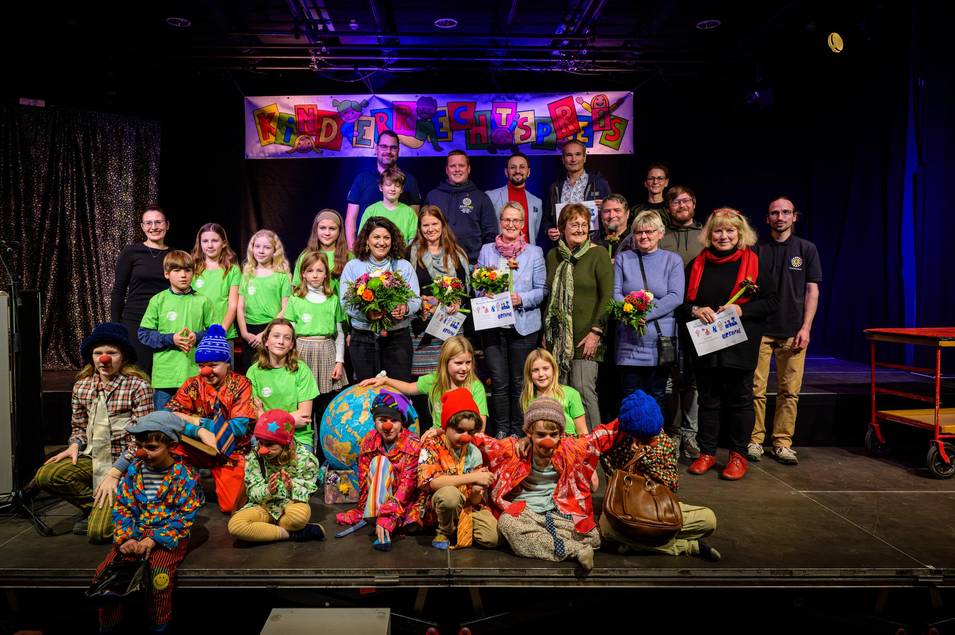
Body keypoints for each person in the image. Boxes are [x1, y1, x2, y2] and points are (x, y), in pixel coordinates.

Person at [470, 396, 626, 572]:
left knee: (593, 536)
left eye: (553, 435)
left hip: (559, 512)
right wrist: (441, 431)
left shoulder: (570, 449)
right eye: (541, 435)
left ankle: (544, 542)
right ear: (529, 433)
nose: (547, 441)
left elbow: (602, 436)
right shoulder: (513, 450)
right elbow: (476, 439)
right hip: (525, 513)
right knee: (507, 523)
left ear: (561, 434)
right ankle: (575, 550)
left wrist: (634, 413)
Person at [678, 208, 778, 481]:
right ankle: (707, 453)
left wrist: (741, 311)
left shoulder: (753, 262)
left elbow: (771, 302)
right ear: (710, 234)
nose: (723, 236)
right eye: (718, 231)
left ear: (740, 234)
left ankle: (737, 455)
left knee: (740, 400)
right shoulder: (698, 263)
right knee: (709, 399)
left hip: (740, 344)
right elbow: (683, 305)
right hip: (707, 344)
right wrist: (696, 309)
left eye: (729, 231)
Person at [32, 323, 152, 542]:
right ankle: (96, 506)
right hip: (94, 457)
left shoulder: (138, 386)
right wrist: (74, 445)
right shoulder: (82, 387)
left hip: (126, 464)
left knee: (99, 533)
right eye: (98, 353)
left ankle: (125, 507)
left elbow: (142, 440)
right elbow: (78, 427)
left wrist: (115, 473)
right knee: (47, 475)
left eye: (111, 353)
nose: (104, 359)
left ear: (122, 357)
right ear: (92, 357)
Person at [93, 411, 203, 635]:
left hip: (166, 537)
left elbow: (185, 516)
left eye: (152, 447)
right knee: (107, 576)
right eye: (140, 445)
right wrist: (127, 538)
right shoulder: (133, 473)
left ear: (172, 446)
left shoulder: (184, 477)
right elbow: (123, 507)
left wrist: (153, 539)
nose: (143, 452)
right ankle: (108, 625)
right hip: (134, 533)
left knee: (158, 576)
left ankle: (158, 625)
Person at [598, 391, 720, 561]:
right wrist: (627, 455)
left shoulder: (664, 443)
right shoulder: (618, 441)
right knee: (606, 529)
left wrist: (646, 457)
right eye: (643, 437)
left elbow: (671, 486)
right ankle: (686, 546)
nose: (649, 439)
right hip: (625, 508)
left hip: (656, 507)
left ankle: (635, 544)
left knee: (709, 520)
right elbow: (614, 481)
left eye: (650, 436)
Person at [747, 196, 822, 466]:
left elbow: (812, 290)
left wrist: (806, 327)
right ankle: (754, 440)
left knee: (789, 391)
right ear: (767, 218)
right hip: (761, 331)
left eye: (786, 212)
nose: (780, 217)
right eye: (775, 213)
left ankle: (782, 443)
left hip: (793, 331)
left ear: (794, 217)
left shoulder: (806, 249)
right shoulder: (756, 249)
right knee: (756, 389)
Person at [164, 324, 255, 514]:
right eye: (202, 366)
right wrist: (198, 431)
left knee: (230, 506)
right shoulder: (193, 384)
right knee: (170, 445)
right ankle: (191, 490)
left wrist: (199, 422)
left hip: (231, 451)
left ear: (227, 363)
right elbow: (168, 416)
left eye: (213, 365)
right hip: (201, 448)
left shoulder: (241, 384)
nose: (206, 371)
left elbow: (237, 428)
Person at [476, 201, 547, 437]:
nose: (511, 224)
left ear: (523, 224)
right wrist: (483, 291)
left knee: (519, 383)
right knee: (499, 383)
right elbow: (477, 284)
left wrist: (522, 298)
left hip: (523, 326)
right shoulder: (488, 250)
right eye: (507, 219)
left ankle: (518, 432)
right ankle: (501, 432)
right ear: (500, 221)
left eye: (516, 220)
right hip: (493, 326)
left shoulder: (534, 253)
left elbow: (542, 290)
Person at [544, 203, 613, 430]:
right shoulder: (554, 255)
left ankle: (594, 445)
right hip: (558, 339)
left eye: (584, 225)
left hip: (587, 337)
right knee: (561, 392)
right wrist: (546, 334)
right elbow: (550, 296)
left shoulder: (598, 254)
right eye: (574, 224)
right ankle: (567, 447)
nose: (580, 229)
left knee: (583, 390)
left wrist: (596, 332)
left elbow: (608, 297)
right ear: (562, 227)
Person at [613, 210, 685, 414]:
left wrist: (644, 314)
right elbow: (616, 293)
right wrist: (631, 314)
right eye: (638, 232)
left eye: (649, 231)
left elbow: (675, 296)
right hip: (629, 342)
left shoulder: (673, 260)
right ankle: (631, 444)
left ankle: (654, 444)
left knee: (657, 396)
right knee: (630, 397)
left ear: (660, 233)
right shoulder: (623, 259)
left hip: (659, 343)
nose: (643, 236)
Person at [335, 390, 426, 550]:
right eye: (382, 420)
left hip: (404, 502)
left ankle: (385, 525)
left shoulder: (412, 443)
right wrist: (364, 509)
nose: (387, 426)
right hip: (378, 500)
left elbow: (407, 486)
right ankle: (377, 519)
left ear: (402, 423)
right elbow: (364, 479)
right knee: (379, 462)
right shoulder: (370, 440)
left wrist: (386, 517)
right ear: (375, 421)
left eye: (394, 421)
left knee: (382, 464)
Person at [339, 217, 421, 382]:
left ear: (393, 240)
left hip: (397, 339)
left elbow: (416, 300)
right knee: (367, 392)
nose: (381, 242)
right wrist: (367, 315)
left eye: (386, 237)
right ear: (367, 240)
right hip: (363, 339)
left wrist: (404, 308)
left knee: (397, 392)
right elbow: (345, 303)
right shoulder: (353, 266)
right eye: (376, 237)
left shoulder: (403, 266)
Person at [227, 409, 326, 543]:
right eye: (260, 442)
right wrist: (268, 490)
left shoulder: (306, 459)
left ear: (285, 443)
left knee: (300, 516)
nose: (262, 449)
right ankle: (292, 534)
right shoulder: (255, 456)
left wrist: (291, 487)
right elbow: (252, 490)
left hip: (289, 505)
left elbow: (308, 491)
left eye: (269, 444)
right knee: (236, 526)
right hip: (263, 506)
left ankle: (266, 531)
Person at [417, 388, 498, 550]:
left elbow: (475, 500)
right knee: (450, 495)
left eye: (470, 431)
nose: (465, 436)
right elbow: (432, 482)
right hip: (438, 505)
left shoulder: (474, 451)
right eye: (459, 430)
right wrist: (472, 478)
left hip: (468, 505)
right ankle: (445, 531)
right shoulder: (432, 444)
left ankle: (460, 526)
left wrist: (476, 491)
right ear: (446, 426)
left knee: (492, 538)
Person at [659, 185, 705, 458]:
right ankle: (673, 432)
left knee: (695, 379)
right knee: (671, 377)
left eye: (686, 200)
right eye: (675, 202)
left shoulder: (705, 236)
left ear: (694, 204)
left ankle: (691, 434)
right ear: (668, 208)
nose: (681, 205)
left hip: (697, 315)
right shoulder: (661, 235)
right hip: (667, 316)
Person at [138, 250, 214, 409]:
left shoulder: (203, 301)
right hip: (166, 377)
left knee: (193, 423)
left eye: (187, 270)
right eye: (177, 270)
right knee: (164, 423)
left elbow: (215, 332)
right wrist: (171, 339)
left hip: (195, 374)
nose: (183, 275)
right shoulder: (158, 300)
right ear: (167, 274)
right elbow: (144, 334)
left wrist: (197, 337)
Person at [361, 335, 488, 428]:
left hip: (464, 439)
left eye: (468, 362)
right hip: (438, 439)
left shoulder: (475, 387)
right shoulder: (434, 380)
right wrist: (385, 380)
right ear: (445, 362)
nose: (464, 368)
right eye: (459, 363)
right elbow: (409, 388)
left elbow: (480, 427)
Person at [407, 204, 471, 380]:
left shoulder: (457, 253)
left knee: (452, 378)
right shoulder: (410, 254)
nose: (430, 229)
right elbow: (406, 291)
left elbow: (466, 288)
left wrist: (458, 302)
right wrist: (424, 303)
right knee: (425, 382)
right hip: (422, 329)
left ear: (442, 225)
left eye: (434, 224)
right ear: (419, 228)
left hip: (451, 326)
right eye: (425, 225)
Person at [110, 206, 174, 377]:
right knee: (138, 373)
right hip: (135, 321)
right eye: (149, 223)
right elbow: (118, 290)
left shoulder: (174, 255)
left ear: (167, 225)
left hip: (165, 321)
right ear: (143, 227)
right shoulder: (131, 252)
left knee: (163, 374)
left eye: (158, 222)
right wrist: (115, 326)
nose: (154, 227)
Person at [245, 318, 320, 454]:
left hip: (297, 437)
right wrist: (290, 420)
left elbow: (304, 416)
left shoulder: (301, 370)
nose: (281, 341)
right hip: (264, 437)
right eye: (276, 336)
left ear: (291, 344)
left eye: (287, 338)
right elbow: (255, 415)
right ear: (266, 341)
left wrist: (267, 419)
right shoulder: (253, 371)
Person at [284, 251, 348, 396]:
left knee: (326, 399)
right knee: (303, 395)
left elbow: (339, 334)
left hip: (327, 351)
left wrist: (339, 361)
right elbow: (289, 333)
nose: (315, 275)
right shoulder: (296, 299)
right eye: (310, 270)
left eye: (319, 270)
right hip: (302, 351)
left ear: (326, 274)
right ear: (303, 274)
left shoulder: (332, 300)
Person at [345, 129, 422, 248]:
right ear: (377, 148)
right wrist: (353, 251)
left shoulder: (409, 180)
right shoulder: (362, 179)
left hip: (401, 254)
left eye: (393, 147)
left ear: (398, 150)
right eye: (384, 146)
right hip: (369, 254)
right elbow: (351, 219)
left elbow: (414, 218)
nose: (388, 151)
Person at [424, 150, 498, 263]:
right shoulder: (433, 196)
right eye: (452, 166)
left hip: (473, 264)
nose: (457, 169)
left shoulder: (481, 198)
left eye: (461, 165)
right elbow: (423, 230)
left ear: (468, 169)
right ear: (447, 170)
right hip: (439, 263)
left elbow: (491, 234)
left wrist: (484, 261)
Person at [237, 229, 292, 372]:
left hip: (271, 329)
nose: (261, 251)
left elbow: (285, 308)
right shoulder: (247, 274)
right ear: (252, 248)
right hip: (249, 332)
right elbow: (240, 305)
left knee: (270, 369)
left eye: (267, 247)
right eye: (257, 246)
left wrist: (266, 333)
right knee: (250, 371)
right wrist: (244, 333)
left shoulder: (281, 276)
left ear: (275, 250)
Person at [543, 140, 612, 243]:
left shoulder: (599, 184)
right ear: (563, 159)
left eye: (578, 154)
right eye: (569, 155)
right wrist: (549, 230)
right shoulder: (555, 187)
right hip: (563, 247)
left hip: (592, 245)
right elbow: (547, 219)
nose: (573, 159)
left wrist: (605, 208)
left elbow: (613, 215)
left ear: (584, 158)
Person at [190, 223, 240, 350]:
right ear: (200, 244)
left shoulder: (232, 270)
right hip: (194, 333)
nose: (210, 245)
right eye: (205, 241)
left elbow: (233, 305)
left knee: (222, 370)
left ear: (223, 243)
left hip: (223, 334)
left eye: (214, 240)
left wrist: (221, 332)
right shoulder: (192, 268)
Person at [519, 348, 586, 436]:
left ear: (554, 370)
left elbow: (583, 433)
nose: (541, 374)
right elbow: (529, 433)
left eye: (545, 368)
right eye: (535, 370)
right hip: (540, 447)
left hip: (568, 444)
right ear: (529, 374)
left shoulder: (572, 394)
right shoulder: (527, 397)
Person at [485, 152, 545, 245]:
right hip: (500, 255)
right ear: (506, 172)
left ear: (528, 172)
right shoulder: (491, 197)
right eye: (513, 167)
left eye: (522, 167)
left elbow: (534, 233)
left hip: (527, 255)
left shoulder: (537, 202)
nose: (517, 171)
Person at [292, 208, 352, 295]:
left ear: (339, 231)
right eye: (322, 228)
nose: (327, 233)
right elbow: (297, 288)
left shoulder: (348, 256)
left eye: (332, 228)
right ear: (316, 230)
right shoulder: (306, 256)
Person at [358, 167, 419, 245]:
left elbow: (413, 240)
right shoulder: (371, 210)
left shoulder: (409, 212)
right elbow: (362, 238)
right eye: (388, 185)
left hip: (401, 256)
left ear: (401, 189)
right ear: (381, 187)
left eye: (397, 185)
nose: (392, 189)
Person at [592, 194, 635, 261]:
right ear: (601, 215)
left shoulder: (636, 240)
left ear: (627, 213)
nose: (612, 215)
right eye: (607, 211)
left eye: (617, 210)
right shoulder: (592, 240)